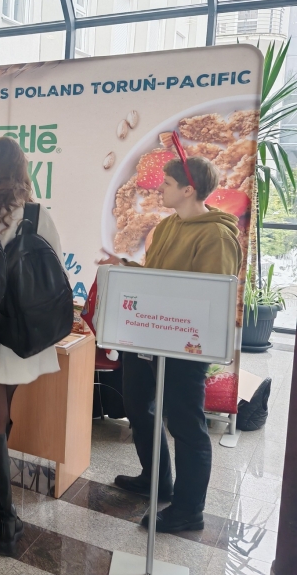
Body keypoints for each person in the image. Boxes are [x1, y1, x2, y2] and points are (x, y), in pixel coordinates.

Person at [100, 155, 241, 533]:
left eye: (166, 184)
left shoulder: (217, 236)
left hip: (184, 348)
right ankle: (156, 479)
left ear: (188, 189)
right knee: (137, 407)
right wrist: (124, 269)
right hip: (146, 338)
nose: (158, 188)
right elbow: (156, 279)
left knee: (185, 424)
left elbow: (211, 299)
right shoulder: (166, 226)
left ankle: (188, 510)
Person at [0, 137, 64, 556]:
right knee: (4, 408)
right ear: (22, 169)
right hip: (24, 332)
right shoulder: (37, 215)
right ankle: (3, 514)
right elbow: (56, 268)